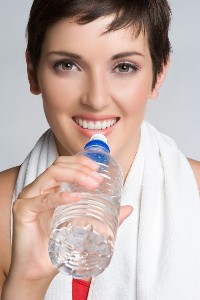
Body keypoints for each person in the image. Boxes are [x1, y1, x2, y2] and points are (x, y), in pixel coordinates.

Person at [0, 0, 200, 299]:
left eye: (123, 67)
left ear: (158, 75)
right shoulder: (4, 211)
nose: (96, 99)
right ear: (33, 72)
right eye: (67, 65)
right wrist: (27, 282)